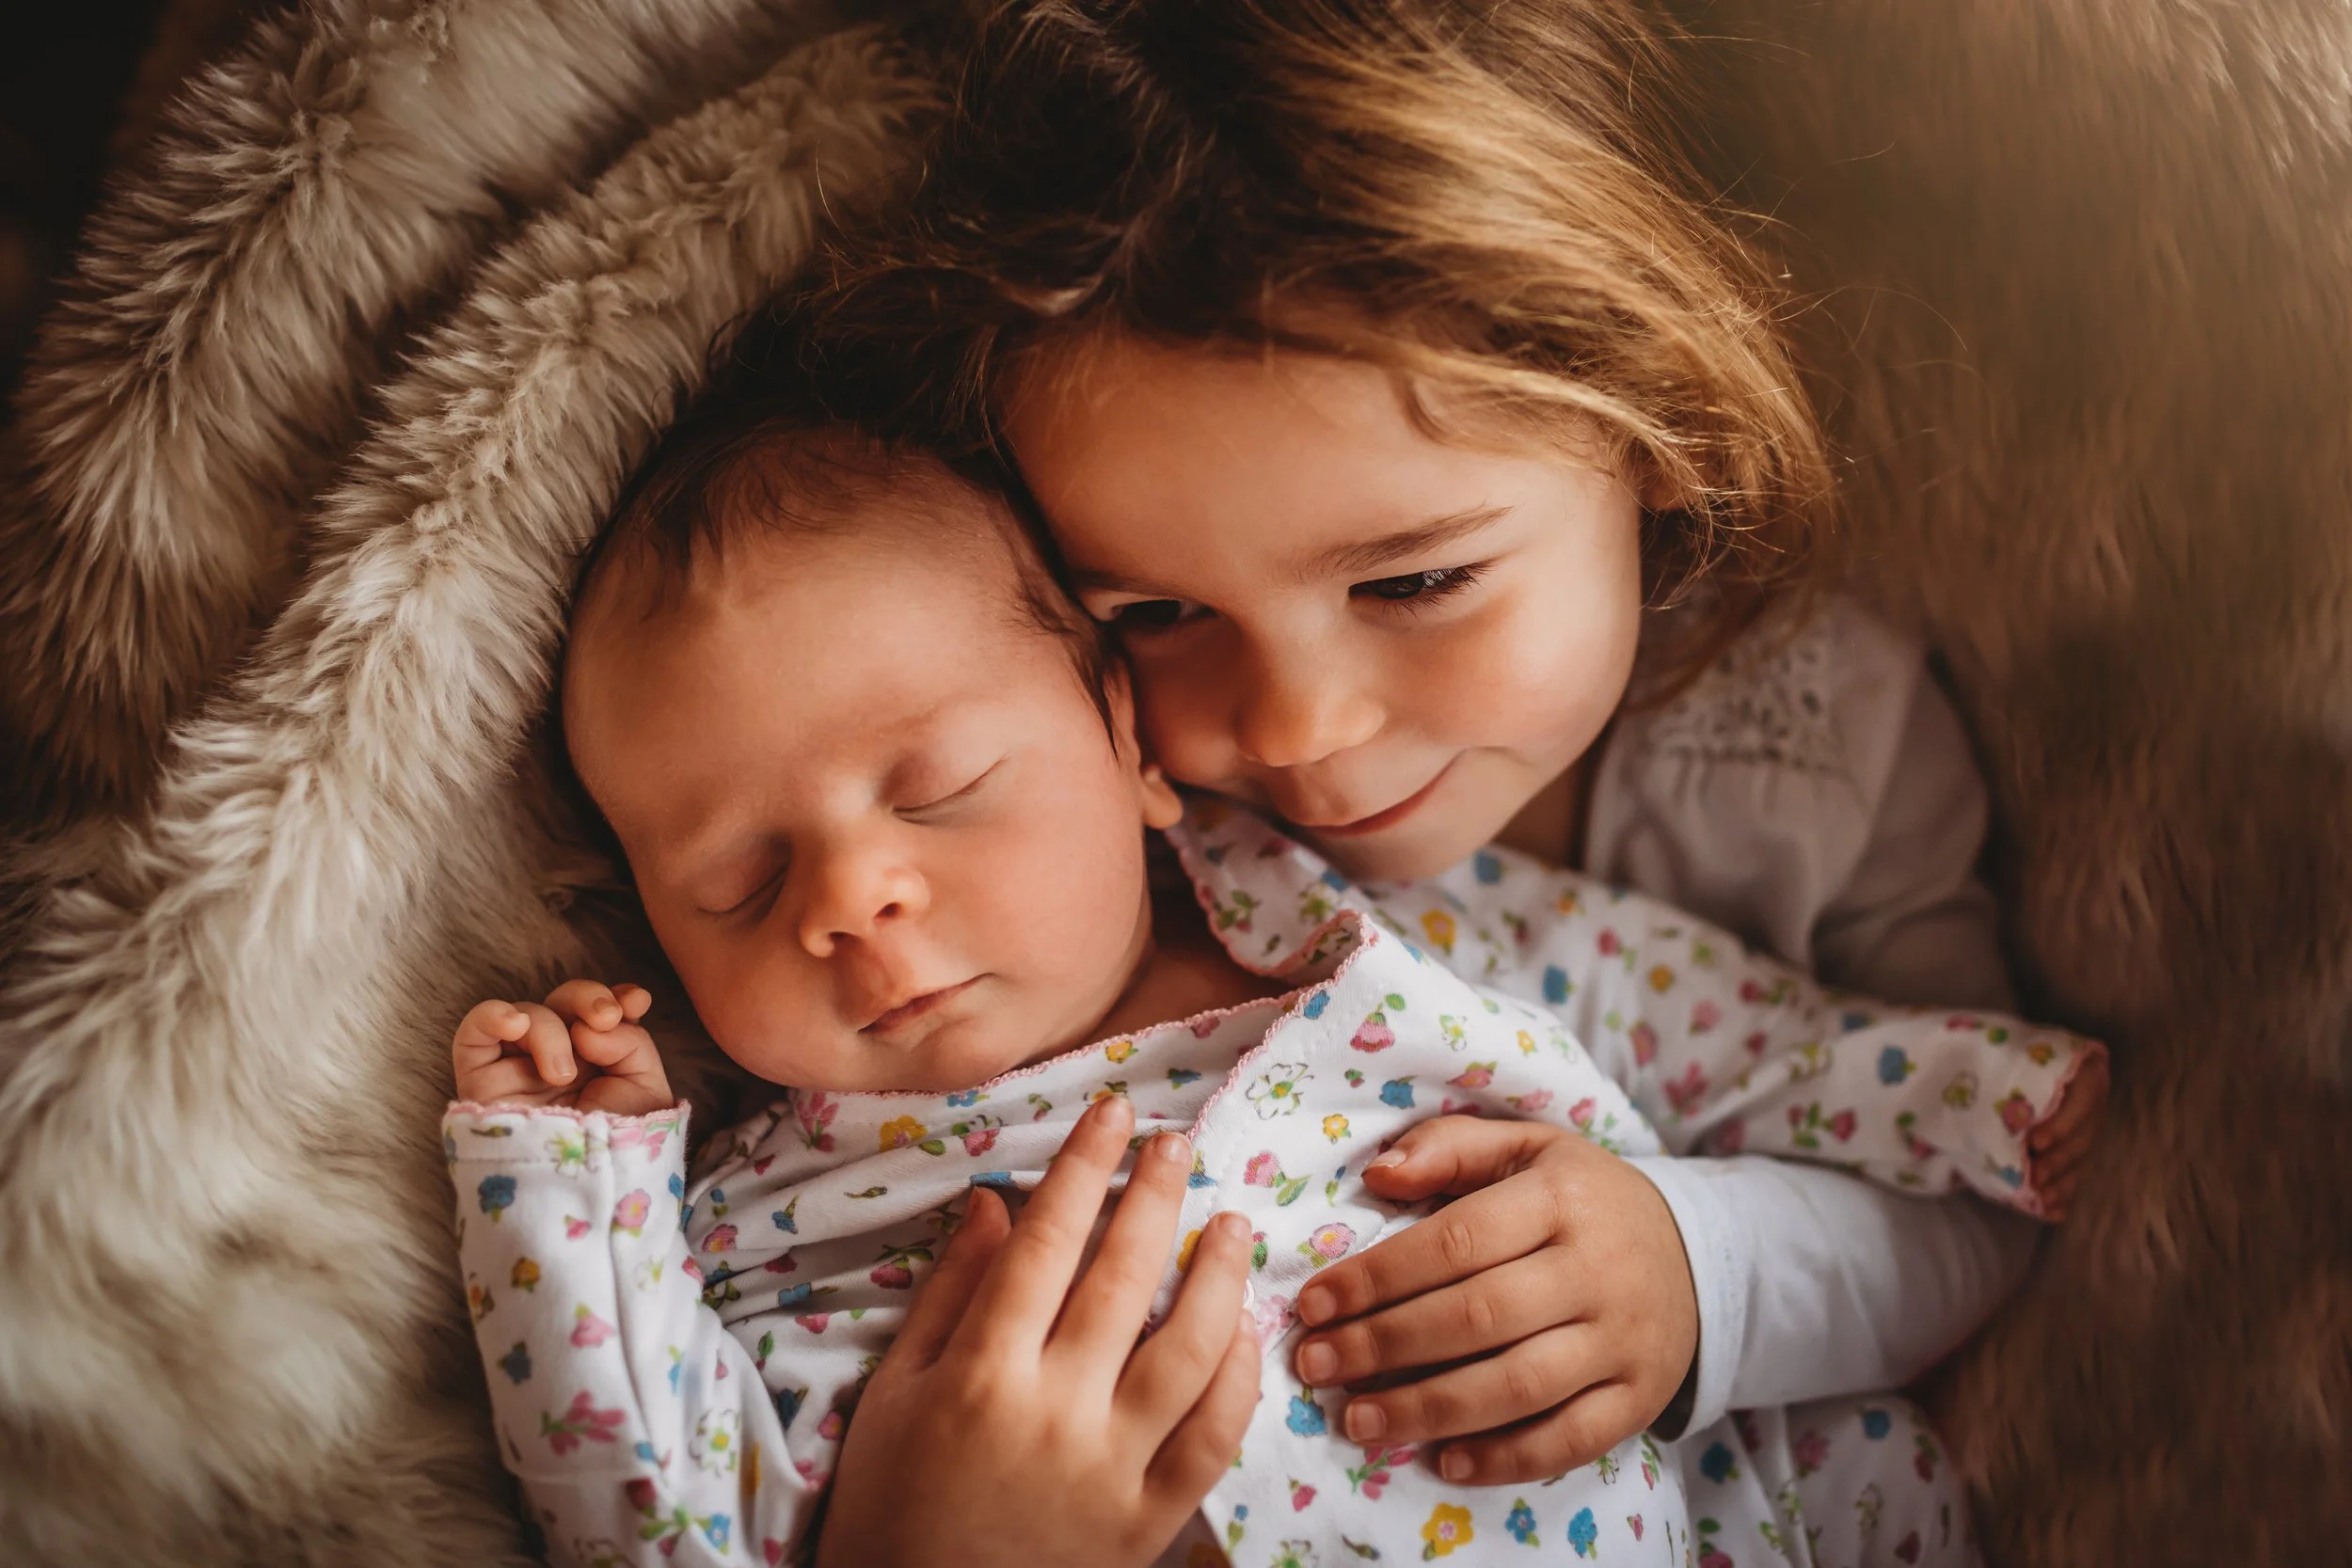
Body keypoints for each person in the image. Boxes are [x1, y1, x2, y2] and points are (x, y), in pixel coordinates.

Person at [785, 0, 2111, 1530]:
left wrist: (1696, 1266)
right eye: (1157, 613)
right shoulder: (1113, 818)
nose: (1296, 728)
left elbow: (1981, 1172)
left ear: (1661, 427)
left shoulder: (1823, 751)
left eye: (1416, 581)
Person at [441, 395, 2102, 1566]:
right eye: (736, 882)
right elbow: (639, 1503)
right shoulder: (762, 1221)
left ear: (1124, 739)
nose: (849, 901)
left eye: (940, 788)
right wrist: (567, 1187)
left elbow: (1731, 1035)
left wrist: (1966, 1096)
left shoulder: (1370, 930)